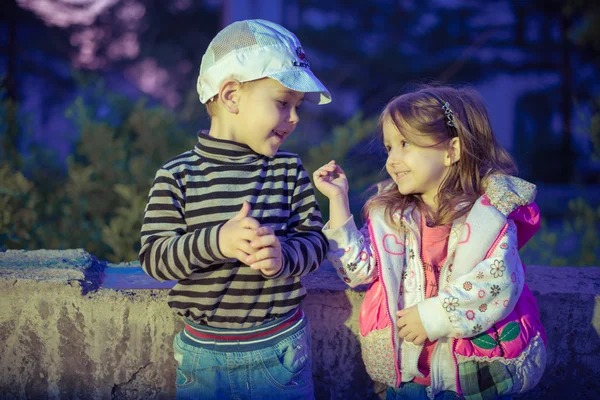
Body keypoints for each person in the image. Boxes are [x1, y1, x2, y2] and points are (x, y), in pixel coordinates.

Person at [313, 85, 546, 400]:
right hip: (407, 377)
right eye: (389, 148)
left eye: (405, 144)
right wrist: (338, 200)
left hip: (471, 378)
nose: (393, 160)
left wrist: (437, 316)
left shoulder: (488, 216)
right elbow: (358, 271)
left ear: (452, 151)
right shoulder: (391, 215)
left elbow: (499, 280)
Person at [139, 19, 331, 400]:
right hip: (203, 357)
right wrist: (218, 241)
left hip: (280, 350)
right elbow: (154, 258)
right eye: (282, 103)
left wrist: (284, 256)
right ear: (231, 96)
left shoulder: (287, 170)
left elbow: (315, 240)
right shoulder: (178, 176)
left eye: (297, 107)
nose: (294, 118)